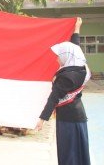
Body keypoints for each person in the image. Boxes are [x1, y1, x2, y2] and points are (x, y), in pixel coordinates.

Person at [36, 17, 91, 165]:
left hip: (68, 119)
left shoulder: (66, 77)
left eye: (59, 56)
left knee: (69, 155)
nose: (57, 59)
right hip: (78, 116)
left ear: (67, 56)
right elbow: (75, 46)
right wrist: (77, 28)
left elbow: (53, 99)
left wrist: (42, 120)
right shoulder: (80, 67)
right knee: (79, 153)